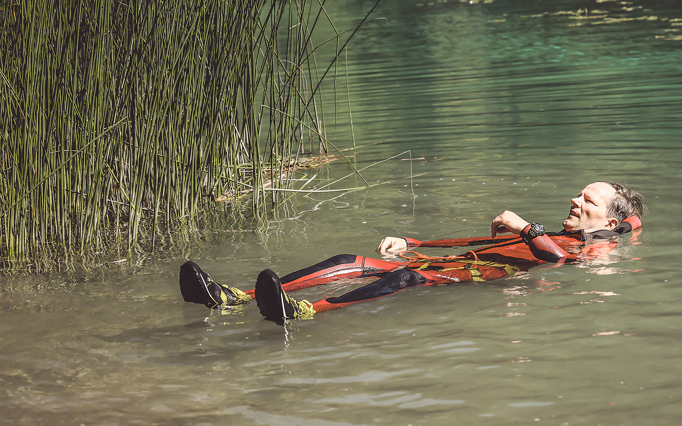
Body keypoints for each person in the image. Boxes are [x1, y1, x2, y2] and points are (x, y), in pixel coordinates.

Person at [179, 181, 646, 323]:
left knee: (411, 278)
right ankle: (235, 297)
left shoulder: (600, 251)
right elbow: (474, 243)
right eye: (579, 193)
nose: (575, 200)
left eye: (588, 200)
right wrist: (415, 243)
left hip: (472, 278)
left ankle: (302, 311)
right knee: (352, 260)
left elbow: (557, 263)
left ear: (607, 221)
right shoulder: (562, 234)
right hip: (460, 261)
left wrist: (527, 227)